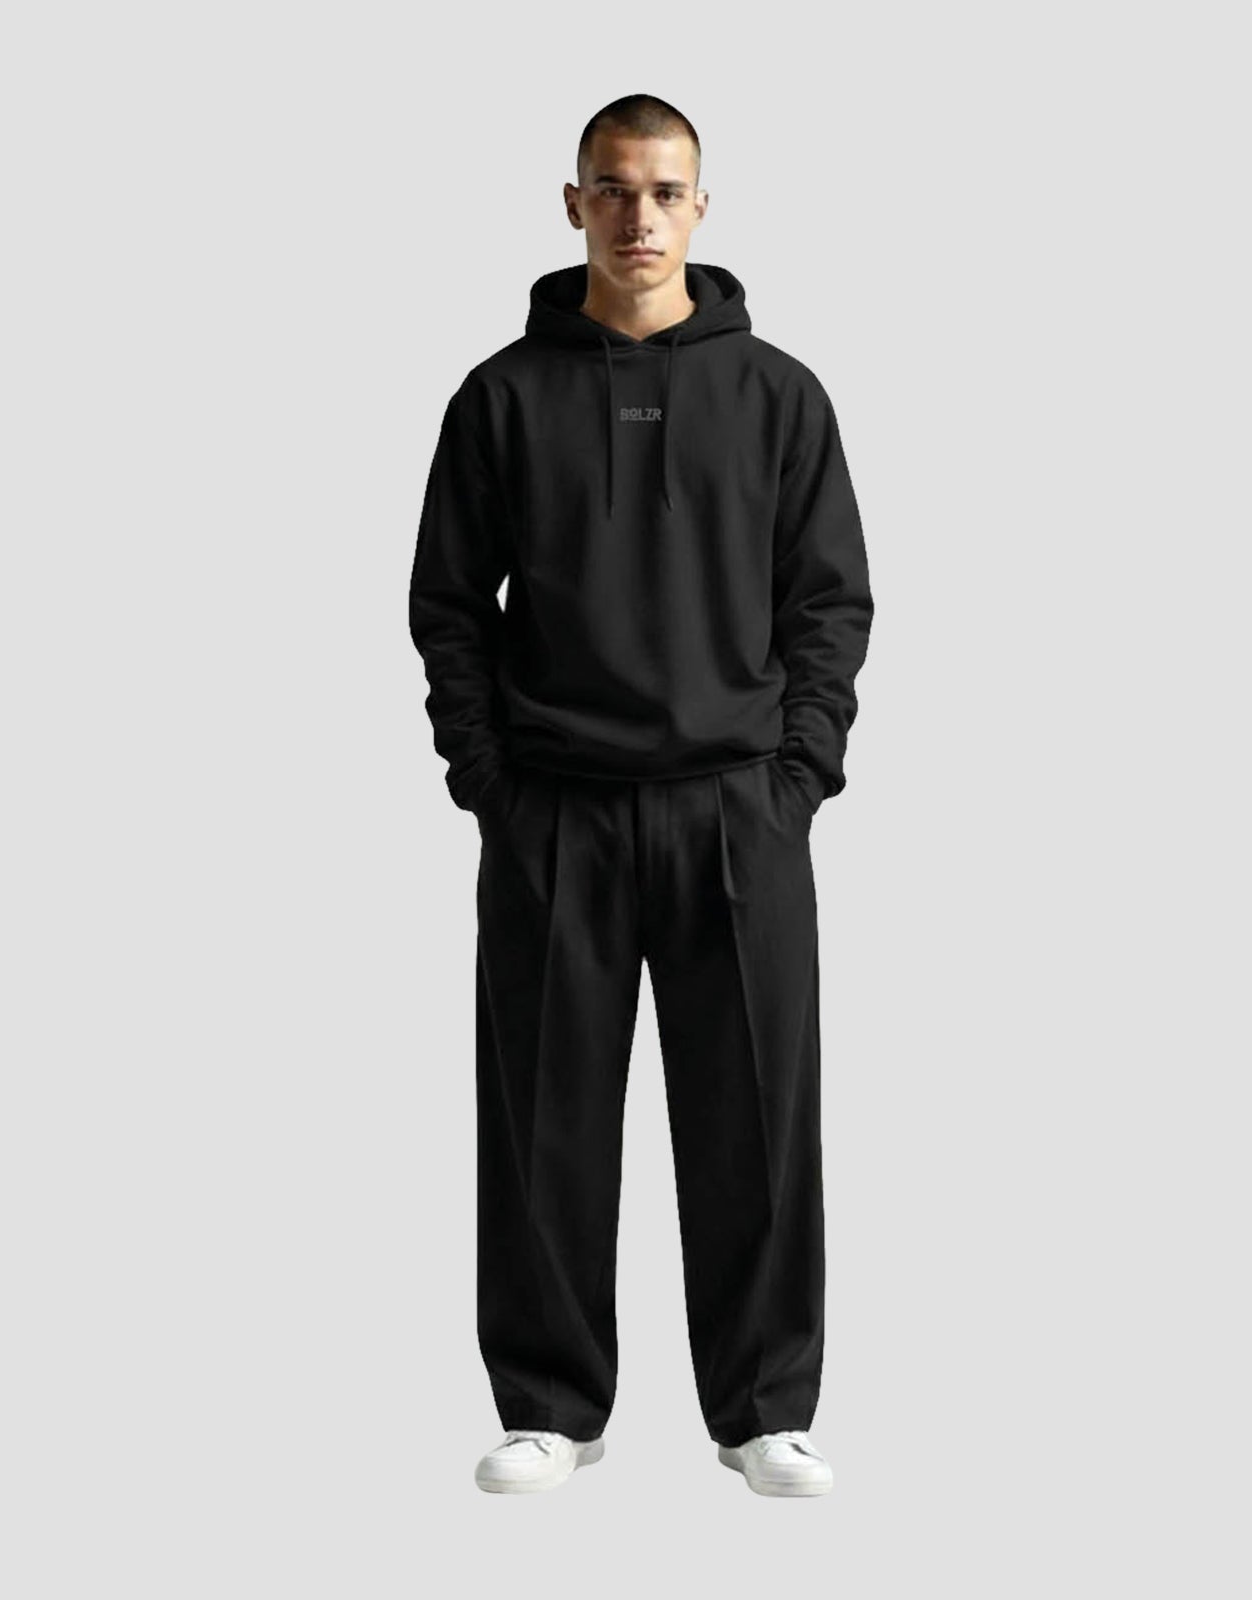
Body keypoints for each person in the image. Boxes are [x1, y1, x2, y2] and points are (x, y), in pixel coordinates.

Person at [408, 94, 875, 1497]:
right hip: (555, 809)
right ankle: (551, 1406)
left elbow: (829, 602)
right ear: (573, 205)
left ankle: (764, 1409)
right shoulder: (501, 398)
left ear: (701, 208)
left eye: (665, 192)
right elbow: (448, 605)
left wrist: (797, 775)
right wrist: (489, 779)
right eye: (613, 190)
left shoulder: (778, 395)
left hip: (739, 807)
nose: (638, 218)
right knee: (543, 1121)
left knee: (758, 1120)